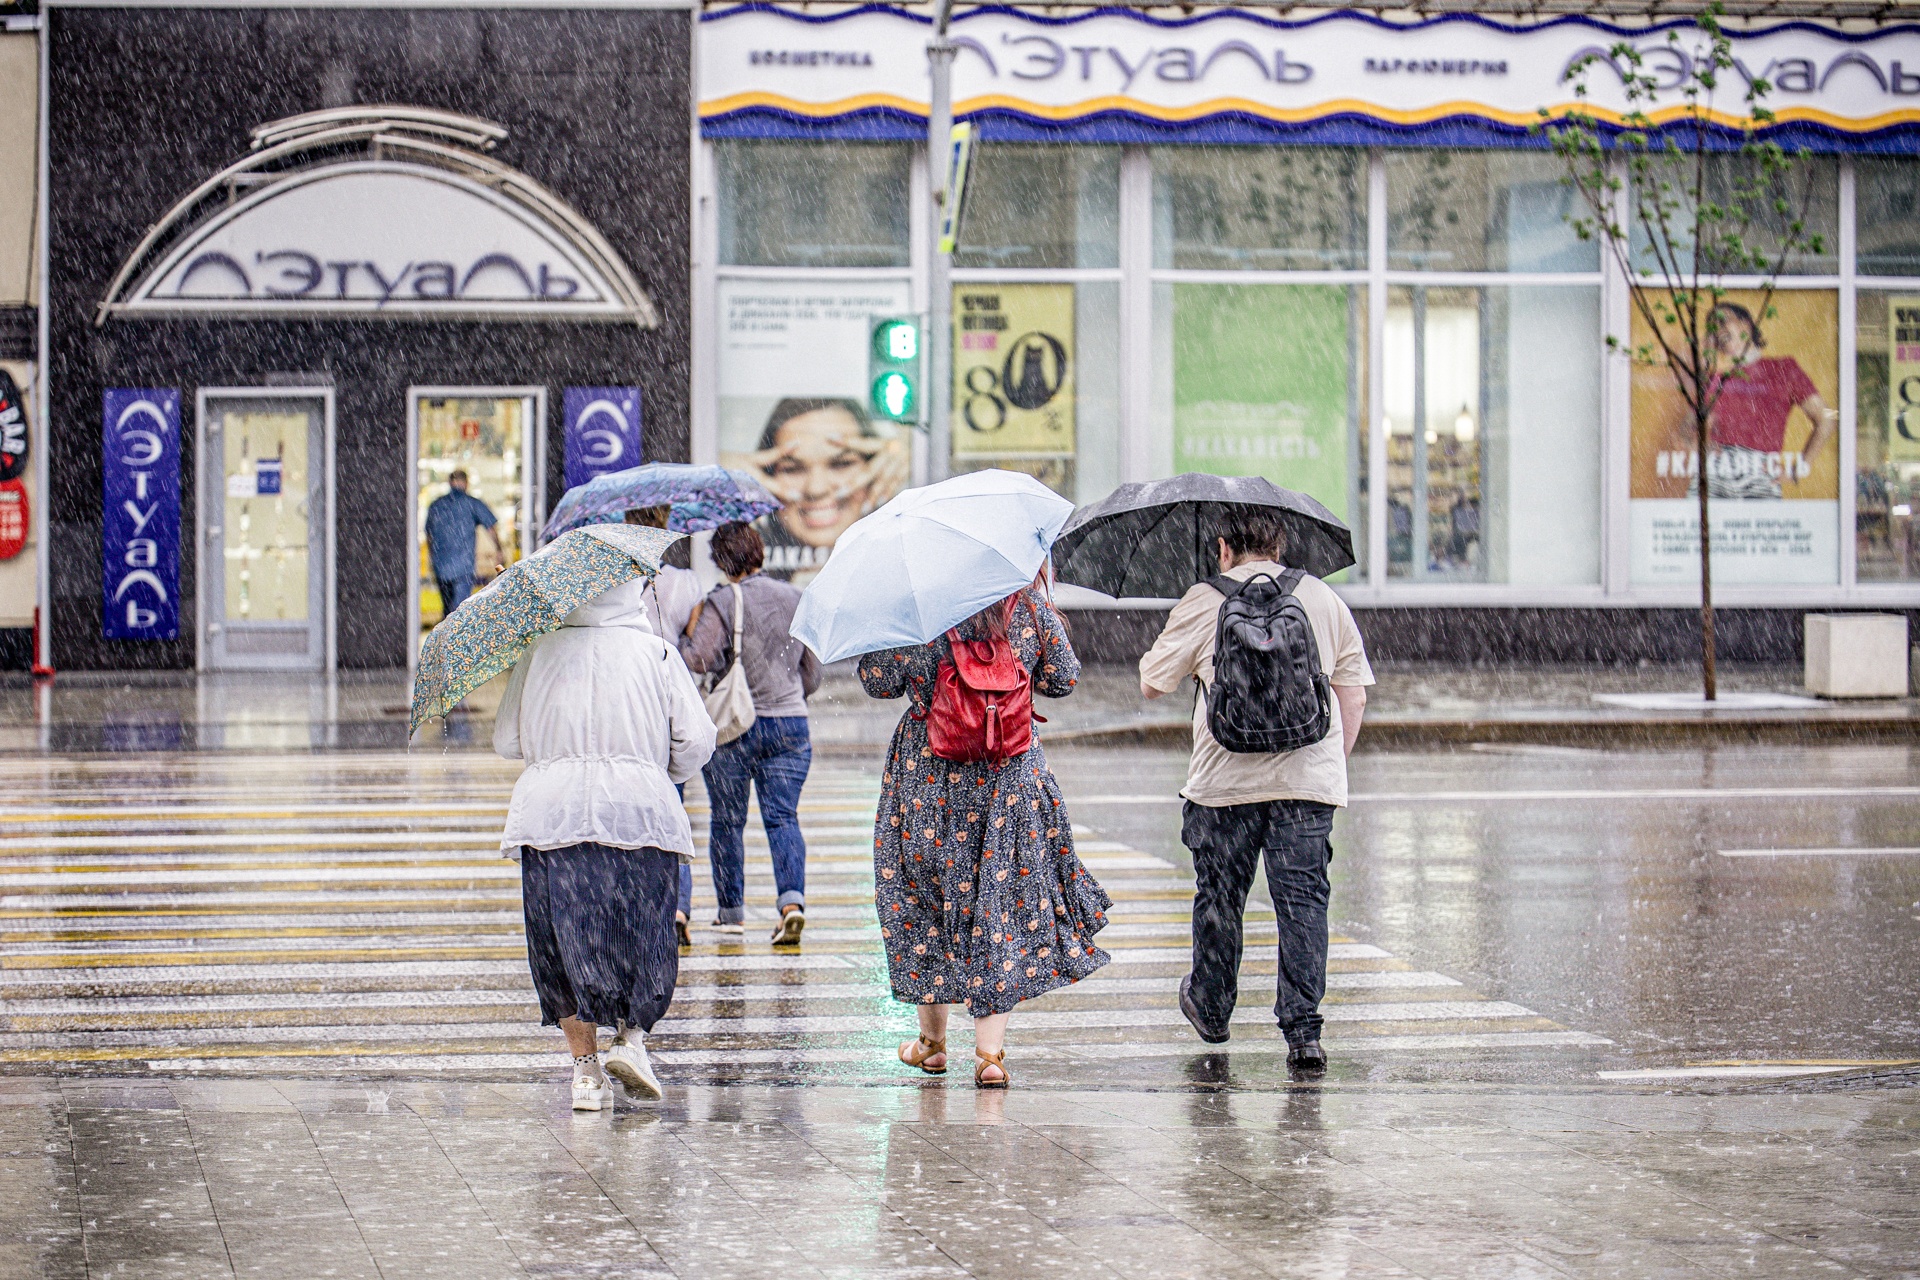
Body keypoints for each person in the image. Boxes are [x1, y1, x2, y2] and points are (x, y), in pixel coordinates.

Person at [1138, 508, 1374, 1076]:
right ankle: (1303, 1032)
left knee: (1221, 898)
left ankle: (1214, 1008)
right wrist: (1323, 769)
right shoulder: (1321, 598)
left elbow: (1151, 683)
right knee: (1303, 905)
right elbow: (1354, 696)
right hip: (1307, 784)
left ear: (1222, 548)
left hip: (1224, 783)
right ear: (1282, 543)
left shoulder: (1204, 600)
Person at [858, 580, 1112, 1088]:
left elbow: (878, 680)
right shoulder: (1028, 605)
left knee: (923, 899)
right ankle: (989, 1055)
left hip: (930, 777)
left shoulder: (921, 608)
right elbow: (1064, 678)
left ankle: (931, 1046)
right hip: (1009, 775)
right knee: (997, 902)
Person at [494, 573, 717, 1111]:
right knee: (639, 933)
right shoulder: (657, 654)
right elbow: (697, 742)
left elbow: (507, 740)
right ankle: (633, 1041)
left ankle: (586, 1073)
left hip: (553, 816)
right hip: (640, 814)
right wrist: (653, 768)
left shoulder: (539, 652)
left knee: (561, 945)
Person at [680, 521, 822, 944]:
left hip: (735, 727)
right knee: (782, 818)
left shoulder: (723, 601)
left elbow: (700, 659)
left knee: (728, 820)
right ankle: (791, 903)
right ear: (758, 552)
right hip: (790, 724)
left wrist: (689, 631)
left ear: (723, 561)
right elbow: (812, 675)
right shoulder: (796, 598)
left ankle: (731, 912)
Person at [623, 505, 707, 948]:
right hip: (671, 696)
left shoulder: (616, 584)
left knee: (632, 808)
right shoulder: (686, 582)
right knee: (673, 808)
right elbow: (692, 640)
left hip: (630, 700)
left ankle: (639, 903)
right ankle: (678, 905)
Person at [747, 398, 909, 585]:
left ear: (877, 470)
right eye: (792, 469)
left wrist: (912, 459)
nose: (816, 489)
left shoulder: (903, 564)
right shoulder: (734, 584)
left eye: (841, 464)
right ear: (765, 475)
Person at [1699, 301, 1838, 500]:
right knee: (1704, 531)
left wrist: (1799, 470)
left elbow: (1828, 418)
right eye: (1712, 328)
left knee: (1760, 530)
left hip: (1759, 474)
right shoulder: (1715, 378)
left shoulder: (1783, 369)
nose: (1717, 330)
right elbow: (1687, 432)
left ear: (1745, 323)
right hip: (1714, 474)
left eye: (1722, 322)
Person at [424, 469, 504, 617]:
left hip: (441, 564)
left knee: (447, 609)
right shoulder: (471, 503)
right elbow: (491, 527)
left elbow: (428, 535)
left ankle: (446, 636)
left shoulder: (436, 505)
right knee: (460, 611)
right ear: (466, 484)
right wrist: (499, 550)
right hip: (463, 565)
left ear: (449, 483)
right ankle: (456, 636)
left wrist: (432, 556)